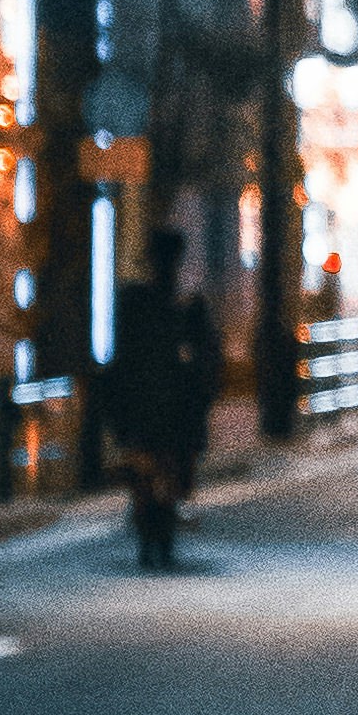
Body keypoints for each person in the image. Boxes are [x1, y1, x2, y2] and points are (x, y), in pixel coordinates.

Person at [105, 226, 220, 575]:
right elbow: (207, 356)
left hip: (146, 405)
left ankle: (151, 534)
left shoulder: (138, 301)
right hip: (172, 407)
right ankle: (159, 535)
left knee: (148, 467)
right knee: (164, 467)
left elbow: (121, 355)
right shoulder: (183, 305)